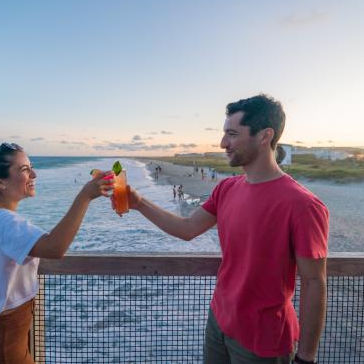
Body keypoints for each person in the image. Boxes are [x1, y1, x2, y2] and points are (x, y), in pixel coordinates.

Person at [116, 95, 328, 363]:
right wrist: (138, 202)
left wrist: (307, 357)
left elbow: (314, 281)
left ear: (265, 136)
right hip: (219, 322)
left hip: (264, 339)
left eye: (232, 134)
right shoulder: (227, 189)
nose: (222, 143)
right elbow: (187, 228)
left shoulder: (303, 204)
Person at [0, 136, 113, 363]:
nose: (34, 175)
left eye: (32, 168)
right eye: (25, 169)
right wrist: (85, 196)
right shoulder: (5, 222)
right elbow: (55, 247)